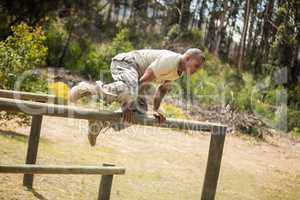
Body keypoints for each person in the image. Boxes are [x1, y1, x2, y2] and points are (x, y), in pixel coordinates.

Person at [70, 48, 205, 146]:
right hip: (126, 64)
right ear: (187, 58)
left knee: (139, 112)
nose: (196, 71)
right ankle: (86, 89)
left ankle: (99, 123)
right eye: (196, 66)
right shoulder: (170, 61)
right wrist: (127, 105)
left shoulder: (178, 72)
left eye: (198, 69)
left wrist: (156, 109)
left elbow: (162, 90)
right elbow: (143, 81)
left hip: (135, 78)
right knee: (129, 91)